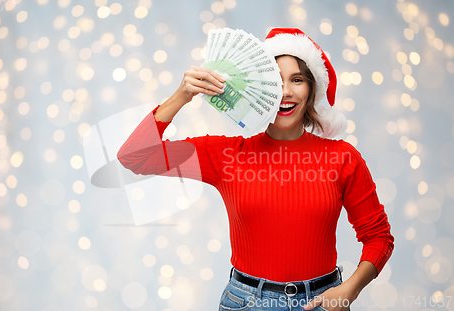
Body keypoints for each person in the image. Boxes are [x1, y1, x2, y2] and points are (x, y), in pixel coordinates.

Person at [118, 28, 394, 311]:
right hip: (247, 302)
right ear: (259, 88)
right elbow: (134, 157)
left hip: (322, 302)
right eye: (275, 81)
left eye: (297, 80)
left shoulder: (343, 158)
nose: (285, 91)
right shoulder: (226, 155)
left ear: (311, 89)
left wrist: (350, 289)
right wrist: (181, 96)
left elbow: (378, 236)